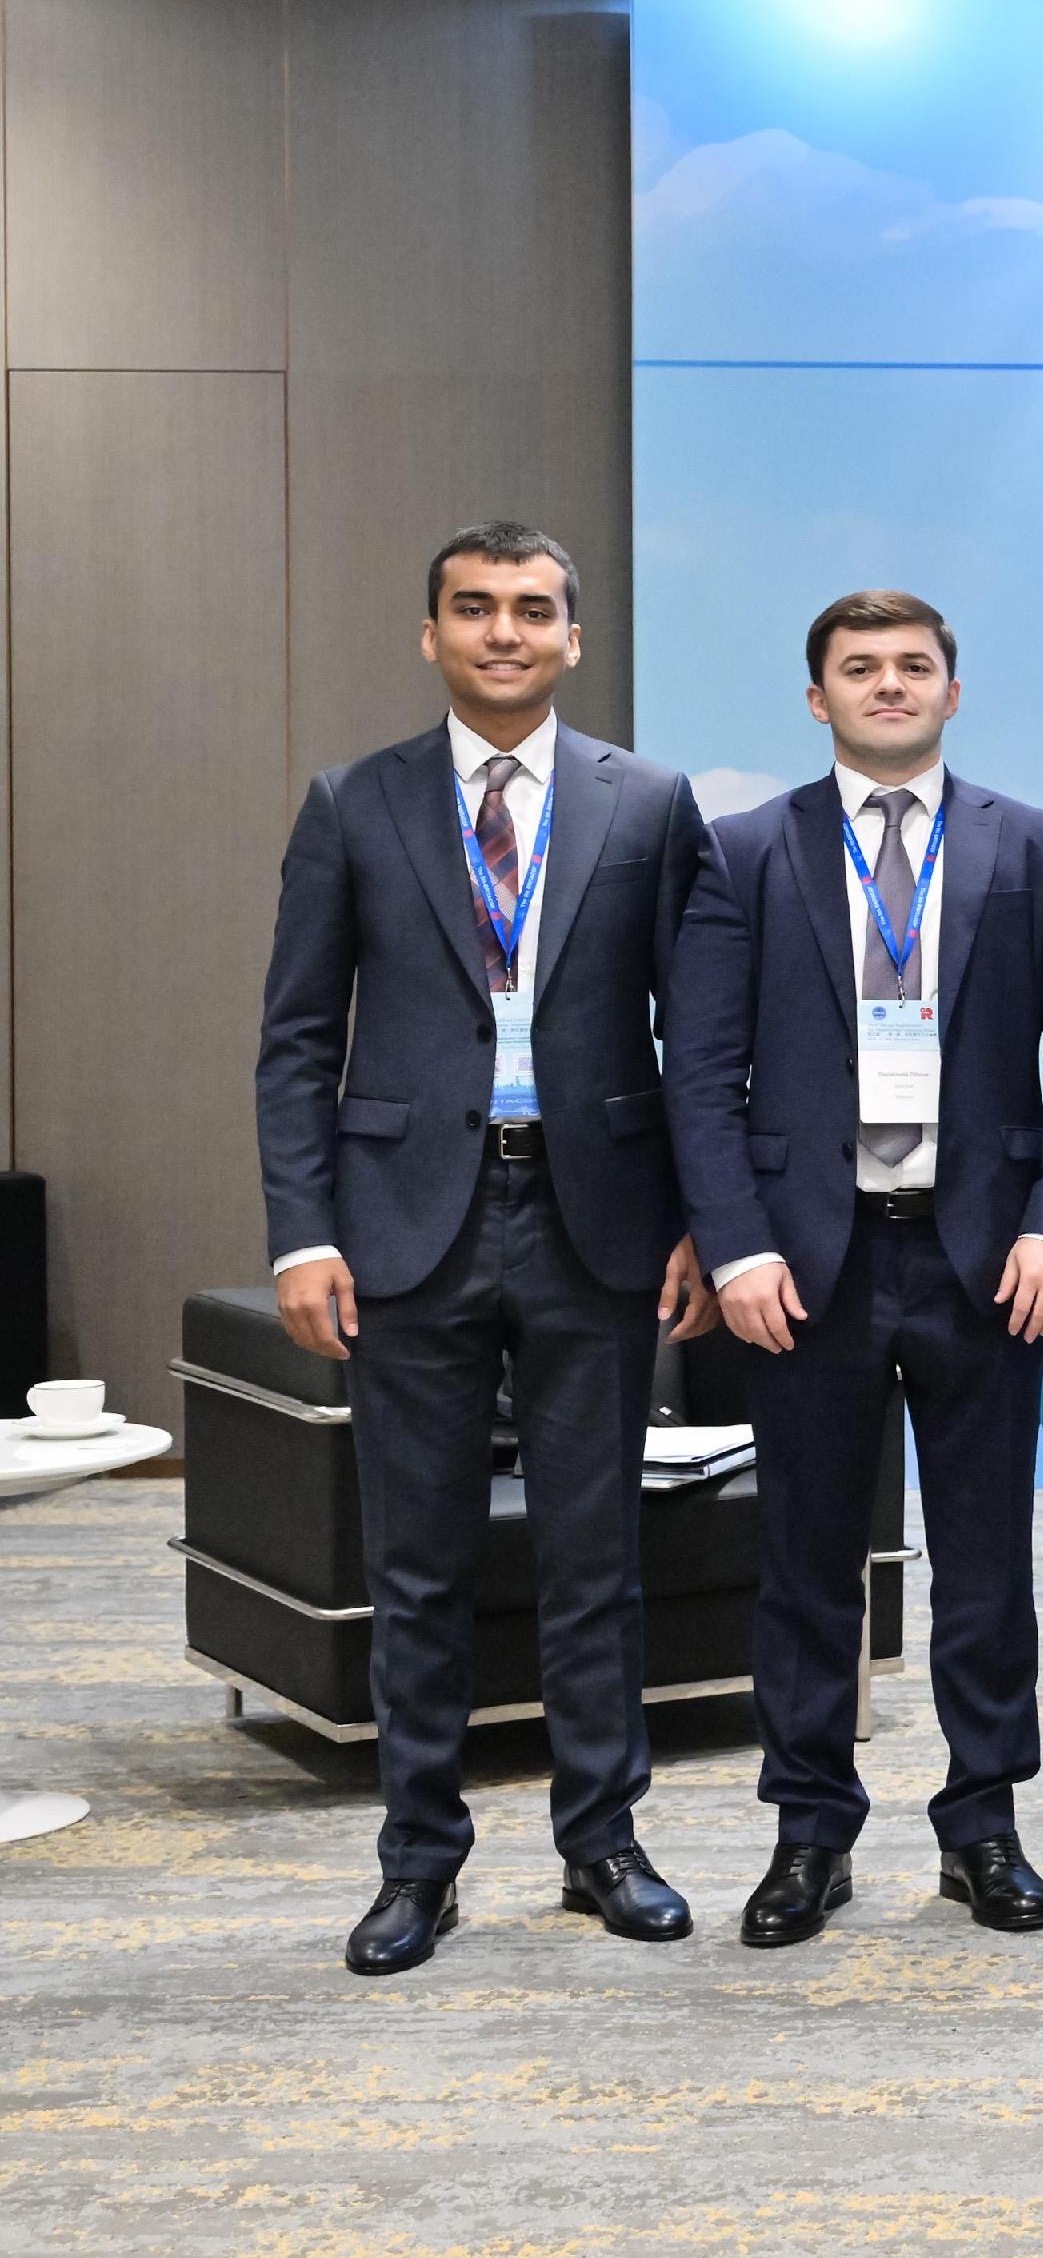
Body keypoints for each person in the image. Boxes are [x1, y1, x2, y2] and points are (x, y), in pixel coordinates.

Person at [255, 522, 720, 1976]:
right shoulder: (355, 801)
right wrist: (300, 1230)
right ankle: (418, 1863)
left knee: (596, 1558)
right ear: (431, 633)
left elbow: (697, 1040)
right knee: (420, 1565)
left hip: (597, 1222)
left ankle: (604, 1843)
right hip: (407, 1229)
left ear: (575, 638)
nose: (504, 632)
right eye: (474, 608)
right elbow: (293, 1042)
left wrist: (711, 1215)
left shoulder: (647, 804)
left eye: (533, 610)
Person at [663, 590, 1043, 1947]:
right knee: (807, 1559)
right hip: (807, 1262)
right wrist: (735, 1238)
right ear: (818, 699)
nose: (887, 685)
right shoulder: (746, 851)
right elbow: (700, 1070)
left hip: (988, 1257)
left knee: (988, 1562)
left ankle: (984, 1823)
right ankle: (811, 1829)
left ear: (952, 691)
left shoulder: (1035, 847)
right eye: (857, 668)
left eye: (912, 665)